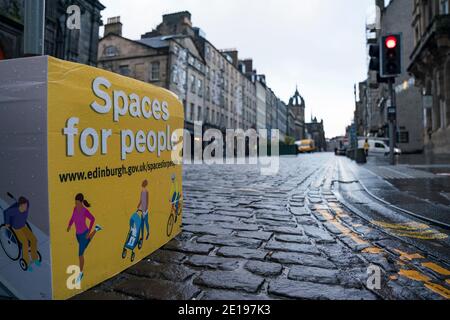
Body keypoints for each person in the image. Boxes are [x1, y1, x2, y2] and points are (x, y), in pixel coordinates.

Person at [67, 193, 102, 284]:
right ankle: (96, 229)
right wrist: (69, 225)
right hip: (77, 234)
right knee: (85, 245)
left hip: (84, 233)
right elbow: (72, 218)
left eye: (77, 203)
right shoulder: (75, 209)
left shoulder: (85, 211)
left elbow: (92, 219)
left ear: (81, 202)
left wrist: (89, 231)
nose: (76, 204)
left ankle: (80, 273)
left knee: (80, 254)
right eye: (75, 202)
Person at [4, 196, 40, 271]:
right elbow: (6, 212)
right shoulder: (14, 210)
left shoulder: (27, 206)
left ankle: (34, 257)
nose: (26, 208)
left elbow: (27, 202)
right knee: (25, 243)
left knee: (34, 240)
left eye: (26, 206)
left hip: (23, 227)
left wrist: (23, 202)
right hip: (16, 229)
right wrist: (7, 223)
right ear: (20, 205)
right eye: (24, 206)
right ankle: (26, 262)